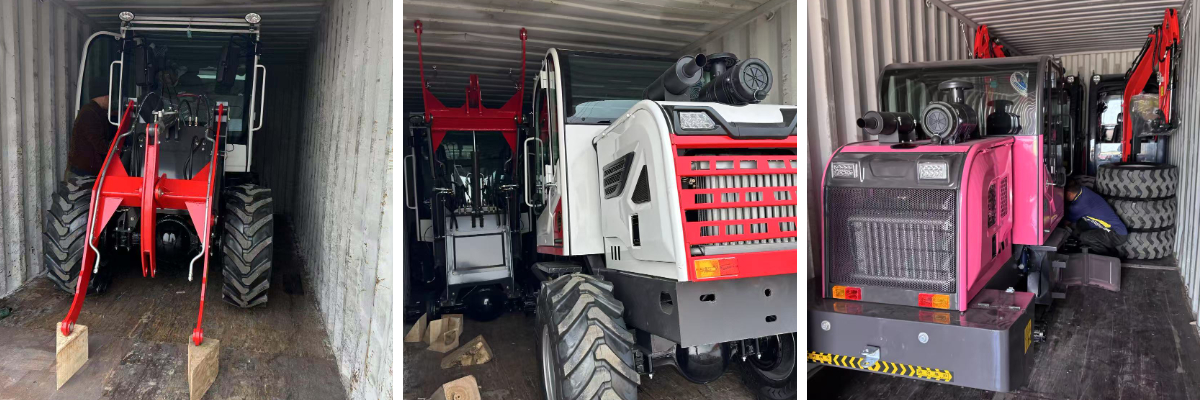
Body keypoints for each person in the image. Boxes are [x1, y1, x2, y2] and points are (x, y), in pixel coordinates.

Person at [1065, 180, 1128, 256]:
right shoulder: (1084, 190)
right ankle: (1108, 249)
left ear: (1069, 193)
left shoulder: (1078, 206)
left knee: (1085, 237)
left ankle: (1108, 257)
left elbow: (1067, 222)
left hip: (1116, 234)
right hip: (1113, 229)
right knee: (1080, 224)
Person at [65, 94, 118, 180]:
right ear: (104, 96)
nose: (110, 102)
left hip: (85, 171)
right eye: (109, 98)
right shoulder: (90, 113)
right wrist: (117, 150)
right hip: (82, 175)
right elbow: (99, 145)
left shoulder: (94, 111)